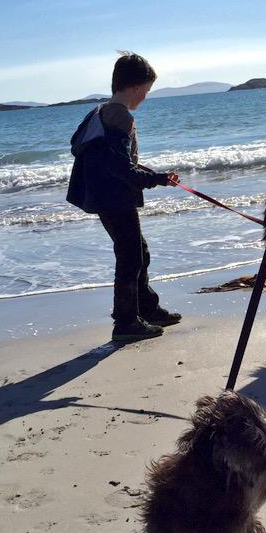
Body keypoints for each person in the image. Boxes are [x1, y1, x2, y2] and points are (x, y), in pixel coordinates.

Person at [66, 51, 183, 343]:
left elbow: (102, 154)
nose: (144, 97)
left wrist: (145, 172)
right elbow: (121, 169)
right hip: (114, 197)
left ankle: (147, 310)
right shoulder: (119, 115)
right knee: (130, 256)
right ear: (134, 88)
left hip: (104, 195)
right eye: (145, 91)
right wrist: (157, 179)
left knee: (138, 252)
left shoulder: (100, 111)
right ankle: (126, 322)